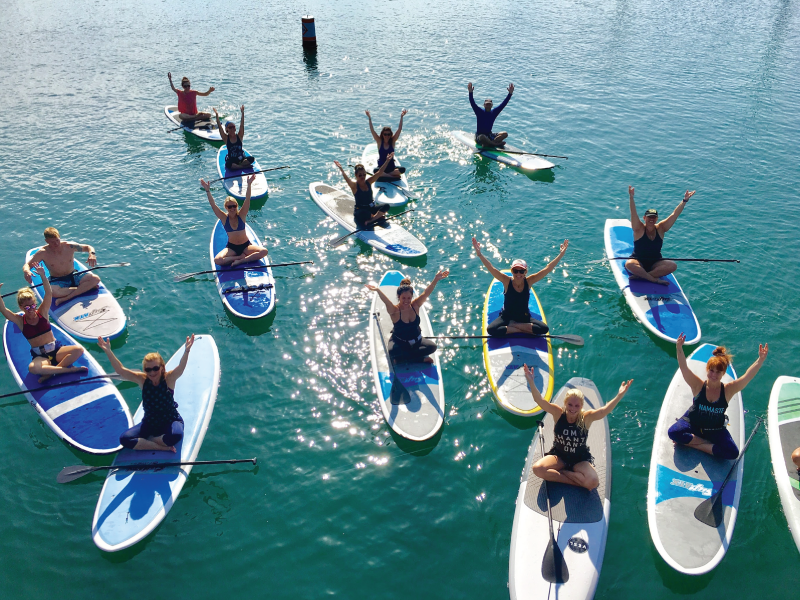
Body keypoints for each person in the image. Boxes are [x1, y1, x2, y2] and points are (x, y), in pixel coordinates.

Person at [525, 366, 633, 490]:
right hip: (559, 456)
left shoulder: (586, 417)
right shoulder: (558, 413)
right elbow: (540, 401)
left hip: (579, 459)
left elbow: (604, 411)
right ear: (565, 403)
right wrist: (531, 382)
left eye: (577, 406)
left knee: (593, 482)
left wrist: (619, 395)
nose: (573, 408)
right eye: (570, 404)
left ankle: (563, 473)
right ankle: (575, 481)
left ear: (581, 406)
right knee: (538, 470)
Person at [668, 334, 768, 459]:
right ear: (707, 369)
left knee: (732, 453)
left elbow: (747, 377)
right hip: (693, 423)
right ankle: (709, 445)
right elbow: (683, 367)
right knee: (673, 433)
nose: (714, 375)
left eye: (718, 372)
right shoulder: (697, 385)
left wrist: (760, 360)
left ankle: (693, 443)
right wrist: (679, 348)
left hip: (714, 429)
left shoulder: (728, 390)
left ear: (723, 373)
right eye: (711, 370)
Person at [97, 335, 195, 453]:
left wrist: (187, 351)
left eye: (155, 368)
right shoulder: (142, 380)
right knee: (124, 439)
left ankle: (149, 440)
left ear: (162, 367)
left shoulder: (169, 378)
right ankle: (160, 446)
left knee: (176, 435)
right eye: (148, 370)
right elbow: (121, 370)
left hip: (170, 419)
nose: (152, 372)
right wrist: (108, 351)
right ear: (144, 370)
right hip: (150, 422)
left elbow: (181, 368)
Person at [0, 264, 87, 382]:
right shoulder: (20, 321)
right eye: (26, 307)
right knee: (32, 368)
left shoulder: (43, 312)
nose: (30, 309)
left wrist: (43, 276)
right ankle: (68, 370)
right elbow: (4, 310)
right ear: (21, 307)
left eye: (32, 305)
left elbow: (48, 293)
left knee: (79, 350)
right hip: (40, 357)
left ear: (35, 304)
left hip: (56, 350)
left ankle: (51, 371)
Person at [472, 236, 568, 337]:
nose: (518, 274)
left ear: (525, 272)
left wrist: (561, 255)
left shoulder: (529, 281)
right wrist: (480, 254)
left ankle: (514, 327)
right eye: (515, 271)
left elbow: (547, 269)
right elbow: (491, 268)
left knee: (544, 329)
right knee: (491, 330)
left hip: (524, 317)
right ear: (511, 271)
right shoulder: (506, 281)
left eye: (521, 271)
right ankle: (523, 329)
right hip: (507, 317)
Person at [365, 270, 449, 364]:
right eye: (403, 298)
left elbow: (426, 293)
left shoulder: (415, 305)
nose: (406, 301)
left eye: (409, 298)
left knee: (432, 347)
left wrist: (436, 279)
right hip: (400, 343)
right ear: (398, 297)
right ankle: (419, 359)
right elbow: (386, 301)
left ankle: (403, 359)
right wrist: (377, 290)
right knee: (393, 352)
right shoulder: (395, 310)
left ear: (412, 296)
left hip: (417, 341)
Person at [625, 185, 696, 285]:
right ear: (644, 218)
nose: (651, 219)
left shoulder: (661, 228)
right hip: (638, 261)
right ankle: (653, 279)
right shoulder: (639, 229)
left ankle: (642, 276)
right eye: (649, 217)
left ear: (657, 219)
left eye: (654, 217)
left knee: (672, 266)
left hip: (655, 263)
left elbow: (674, 215)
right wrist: (631, 198)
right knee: (629, 264)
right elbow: (633, 213)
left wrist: (684, 201)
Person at [200, 175, 269, 267]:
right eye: (229, 206)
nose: (232, 208)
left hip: (246, 246)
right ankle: (239, 257)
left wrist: (249, 185)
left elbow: (247, 200)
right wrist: (208, 191)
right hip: (232, 248)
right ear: (226, 208)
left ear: (237, 206)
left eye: (234, 206)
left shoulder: (242, 215)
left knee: (264, 251)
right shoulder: (224, 218)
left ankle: (241, 260)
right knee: (217, 260)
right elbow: (213, 205)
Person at [23, 227, 101, 307]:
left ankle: (66, 298)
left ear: (59, 236)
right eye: (52, 242)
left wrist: (92, 254)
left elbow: (88, 247)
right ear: (47, 241)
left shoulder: (69, 246)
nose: (56, 244)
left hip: (73, 275)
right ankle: (83, 288)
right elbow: (27, 265)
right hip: (58, 279)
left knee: (95, 278)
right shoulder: (43, 253)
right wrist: (26, 271)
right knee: (52, 292)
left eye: (57, 240)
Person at [334, 158, 394, 228]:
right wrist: (341, 169)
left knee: (386, 206)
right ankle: (377, 216)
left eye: (364, 175)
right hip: (361, 211)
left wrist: (387, 160)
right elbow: (346, 178)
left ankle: (372, 219)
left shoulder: (369, 182)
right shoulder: (354, 186)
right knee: (365, 214)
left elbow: (379, 172)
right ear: (356, 175)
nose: (362, 177)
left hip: (371, 208)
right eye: (360, 175)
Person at [467, 82, 514, 147]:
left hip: (489, 135)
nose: (488, 106)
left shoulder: (494, 112)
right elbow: (472, 102)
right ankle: (495, 144)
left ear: (492, 105)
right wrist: (470, 92)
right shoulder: (479, 111)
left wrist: (510, 94)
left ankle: (491, 143)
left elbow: (504, 104)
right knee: (482, 137)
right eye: (487, 104)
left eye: (489, 104)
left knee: (505, 134)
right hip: (480, 136)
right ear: (484, 105)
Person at [365, 109, 408, 179]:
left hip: (391, 168)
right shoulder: (379, 141)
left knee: (402, 169)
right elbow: (372, 130)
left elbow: (399, 129)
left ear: (390, 134)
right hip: (381, 168)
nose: (387, 136)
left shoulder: (393, 141)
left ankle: (385, 175)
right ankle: (392, 177)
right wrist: (369, 118)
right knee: (375, 170)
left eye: (388, 134)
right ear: (382, 134)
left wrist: (401, 117)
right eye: (385, 134)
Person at [214, 106, 255, 171]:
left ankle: (239, 166)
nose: (232, 129)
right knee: (228, 164)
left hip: (241, 159)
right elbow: (219, 127)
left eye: (233, 127)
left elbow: (242, 125)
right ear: (227, 129)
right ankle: (243, 167)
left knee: (251, 159)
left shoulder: (239, 136)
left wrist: (242, 113)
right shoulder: (226, 138)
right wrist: (217, 116)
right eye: (230, 127)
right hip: (232, 161)